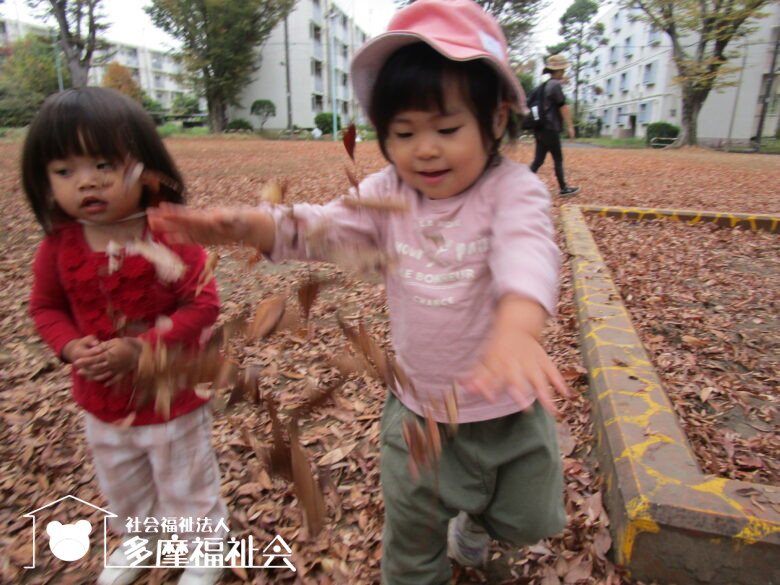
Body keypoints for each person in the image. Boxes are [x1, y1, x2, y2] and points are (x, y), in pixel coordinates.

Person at [149, 1, 569, 584]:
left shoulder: (512, 190)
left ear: (496, 120)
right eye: (403, 133)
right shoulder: (388, 194)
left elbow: (529, 250)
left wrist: (519, 329)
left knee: (529, 521)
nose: (424, 149)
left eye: (447, 129)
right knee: (412, 542)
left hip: (509, 411)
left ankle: (478, 523)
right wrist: (253, 226)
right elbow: (324, 226)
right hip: (420, 411)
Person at [24, 87, 227, 585]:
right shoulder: (59, 246)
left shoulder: (168, 236)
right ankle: (142, 537)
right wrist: (70, 345)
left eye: (103, 165)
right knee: (123, 483)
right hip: (102, 399)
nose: (86, 182)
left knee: (185, 481)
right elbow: (46, 307)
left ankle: (204, 548)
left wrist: (142, 347)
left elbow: (203, 304)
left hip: (171, 395)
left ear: (146, 169)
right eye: (64, 170)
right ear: (44, 181)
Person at [529, 54, 581, 197]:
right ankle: (564, 188)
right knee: (558, 158)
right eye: (562, 70)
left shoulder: (545, 85)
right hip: (550, 128)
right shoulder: (555, 85)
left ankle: (519, 185)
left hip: (540, 128)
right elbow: (562, 106)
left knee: (538, 160)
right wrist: (570, 126)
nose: (564, 72)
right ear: (558, 70)